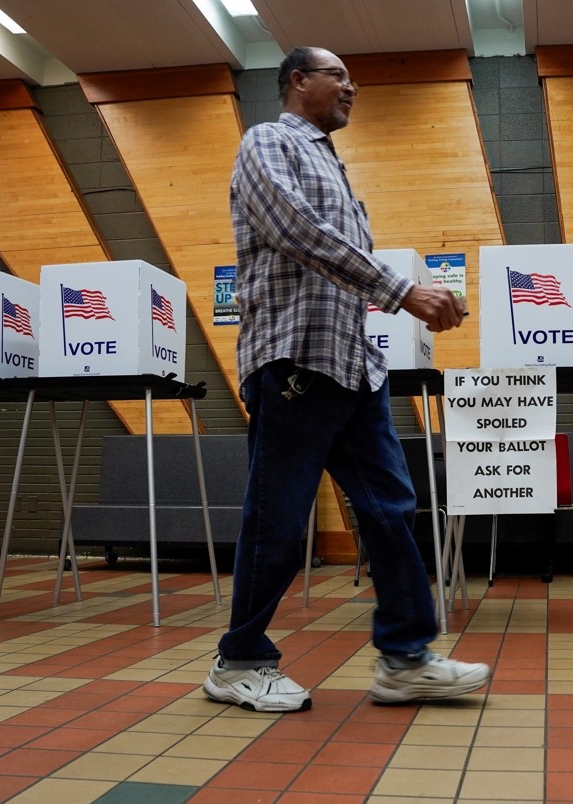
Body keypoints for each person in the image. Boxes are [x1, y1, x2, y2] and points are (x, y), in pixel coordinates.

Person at [203, 46, 490, 712]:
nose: (351, 86)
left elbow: (337, 268)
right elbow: (293, 230)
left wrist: (387, 313)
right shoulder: (267, 142)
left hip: (353, 371)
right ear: (298, 81)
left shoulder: (333, 166)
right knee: (277, 519)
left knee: (391, 510)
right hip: (295, 363)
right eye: (338, 75)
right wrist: (403, 291)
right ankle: (238, 659)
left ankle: (404, 659)